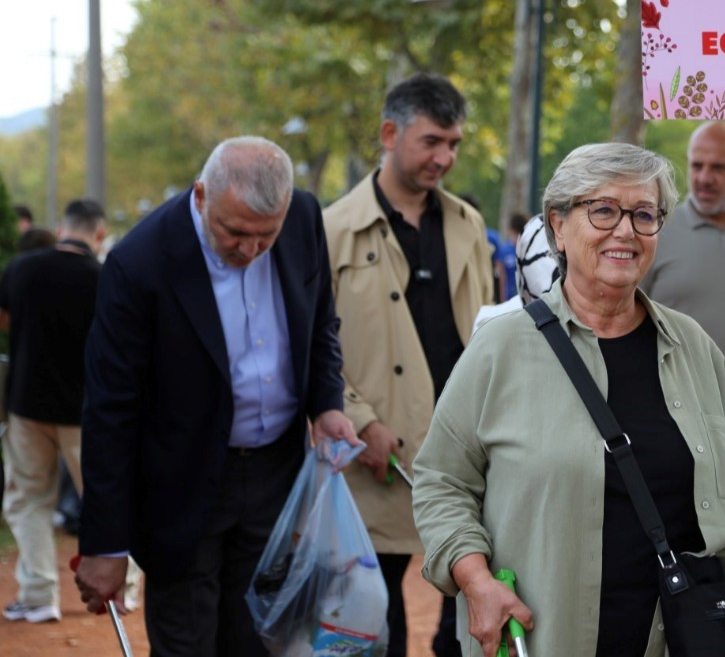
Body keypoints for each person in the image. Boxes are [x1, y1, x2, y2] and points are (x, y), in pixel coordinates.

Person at [413, 143, 725, 657]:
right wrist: (475, 580)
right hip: (543, 637)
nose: (626, 231)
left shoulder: (697, 349)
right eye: (604, 210)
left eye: (644, 214)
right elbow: (441, 480)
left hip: (677, 639)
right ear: (558, 226)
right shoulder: (499, 349)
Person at [74, 136, 360, 655]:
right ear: (201, 196)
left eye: (264, 237)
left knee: (258, 637)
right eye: (234, 232)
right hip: (181, 484)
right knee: (186, 641)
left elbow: (320, 321)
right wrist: (104, 544)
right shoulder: (139, 263)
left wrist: (327, 403)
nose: (249, 250)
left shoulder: (302, 219)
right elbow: (111, 409)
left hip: (276, 477)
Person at [323, 72, 492, 657]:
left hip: (465, 446)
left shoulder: (469, 226)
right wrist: (358, 422)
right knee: (375, 617)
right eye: (432, 142)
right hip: (377, 452)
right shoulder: (331, 231)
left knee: (469, 608)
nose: (444, 157)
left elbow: (489, 330)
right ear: (390, 133)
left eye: (454, 144)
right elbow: (314, 347)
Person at [1, 200, 107, 623]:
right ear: (98, 235)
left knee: (29, 500)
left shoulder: (23, 267)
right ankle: (124, 590)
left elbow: (4, 318)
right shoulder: (104, 277)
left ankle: (39, 593)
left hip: (28, 404)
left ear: (62, 227)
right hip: (88, 411)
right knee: (105, 501)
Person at [641, 121, 725, 413]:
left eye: (718, 167)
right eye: (697, 165)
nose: (704, 177)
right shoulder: (651, 233)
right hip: (670, 412)